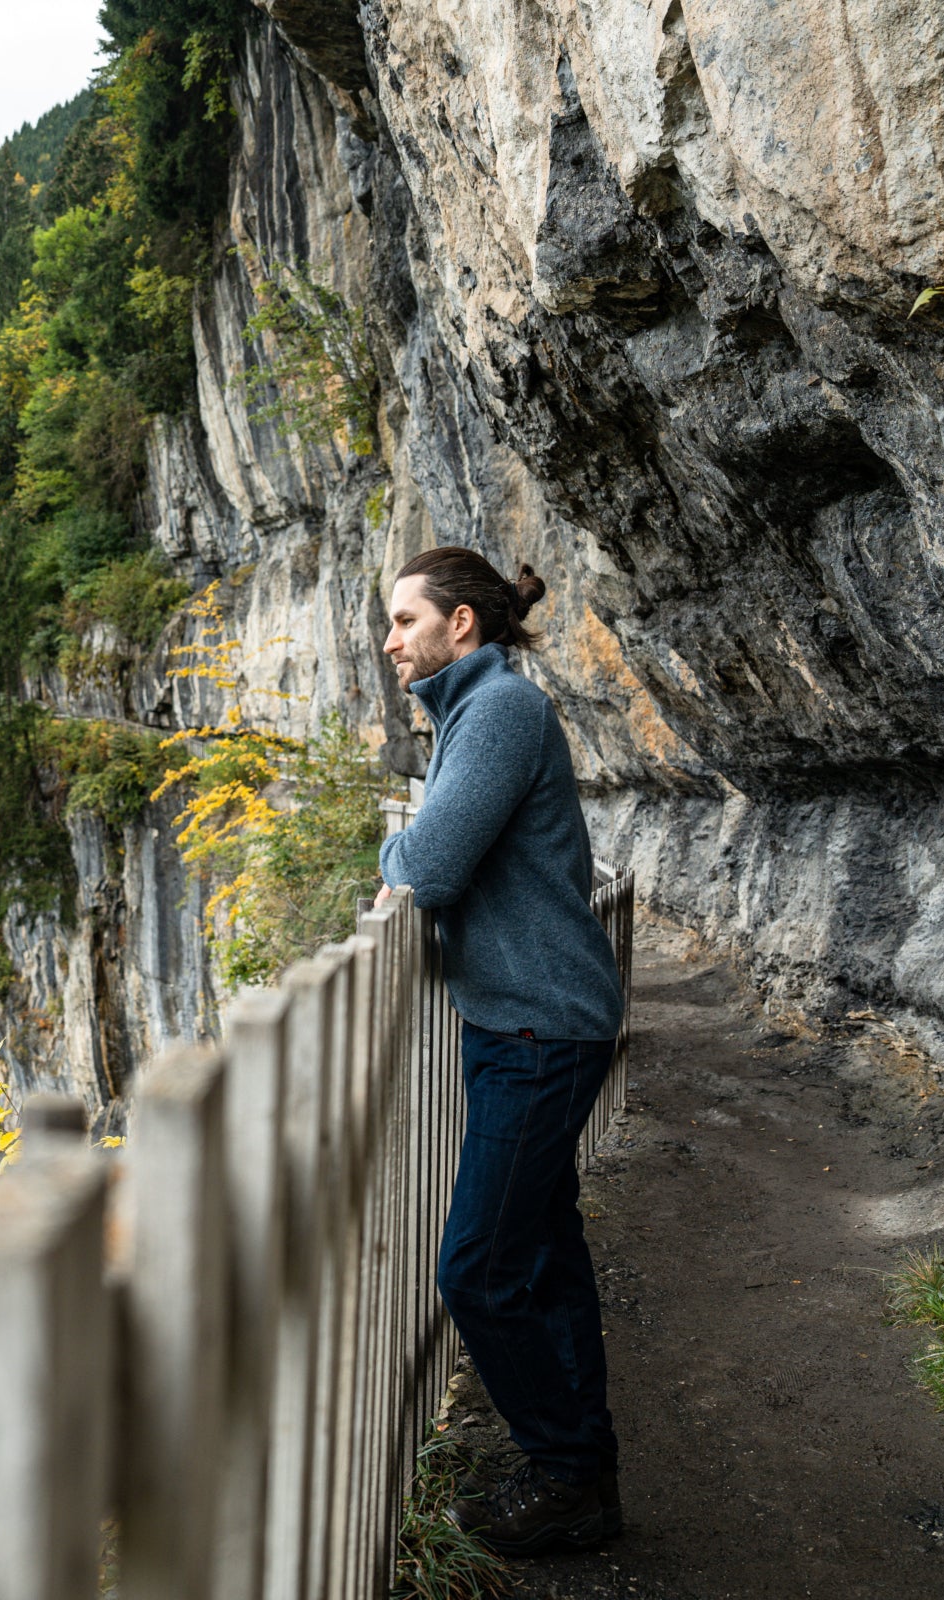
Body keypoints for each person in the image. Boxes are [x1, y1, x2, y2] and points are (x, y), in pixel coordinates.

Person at [375, 544, 627, 1556]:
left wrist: (394, 853)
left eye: (404, 620)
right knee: (547, 1255)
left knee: (478, 1267)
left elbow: (426, 862)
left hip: (538, 1028)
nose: (390, 641)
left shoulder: (501, 714)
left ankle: (565, 1471)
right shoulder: (479, 713)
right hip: (523, 1022)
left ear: (459, 625)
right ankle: (581, 1473)